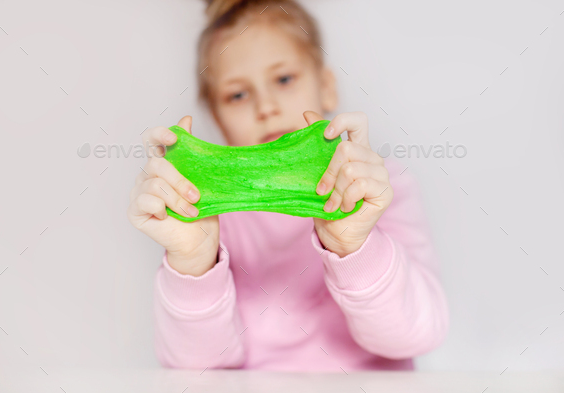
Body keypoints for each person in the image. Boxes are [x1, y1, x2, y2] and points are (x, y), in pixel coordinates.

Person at [127, 0, 449, 372]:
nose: (266, 106)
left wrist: (354, 245)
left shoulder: (381, 190)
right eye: (237, 95)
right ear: (216, 117)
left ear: (327, 87)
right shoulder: (200, 211)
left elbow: (415, 337)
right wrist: (194, 261)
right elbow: (197, 371)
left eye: (284, 79)